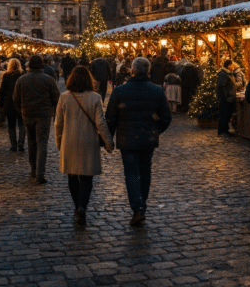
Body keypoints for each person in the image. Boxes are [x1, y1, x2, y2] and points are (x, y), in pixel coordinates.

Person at [105, 57, 172, 226]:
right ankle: (142, 205)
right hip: (147, 138)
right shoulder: (156, 91)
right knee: (145, 171)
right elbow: (166, 116)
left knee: (131, 173)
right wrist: (156, 130)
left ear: (132, 71)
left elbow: (111, 118)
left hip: (128, 139)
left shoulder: (120, 91)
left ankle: (137, 207)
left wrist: (108, 139)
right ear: (148, 71)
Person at [54, 66, 114, 226]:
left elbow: (58, 123)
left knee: (72, 176)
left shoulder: (64, 97)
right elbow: (100, 123)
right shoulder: (95, 98)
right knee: (87, 177)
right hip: (89, 141)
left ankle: (77, 206)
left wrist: (59, 142)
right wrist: (108, 142)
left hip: (70, 141)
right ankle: (82, 207)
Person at [13, 55, 61, 184]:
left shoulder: (21, 80)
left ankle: (34, 169)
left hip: (28, 114)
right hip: (44, 115)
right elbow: (57, 99)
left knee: (32, 141)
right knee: (42, 143)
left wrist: (22, 110)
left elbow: (16, 99)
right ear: (41, 65)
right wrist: (55, 113)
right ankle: (40, 173)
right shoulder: (49, 80)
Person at [0, 58, 25, 152]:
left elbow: (2, 91)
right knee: (22, 123)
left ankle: (13, 144)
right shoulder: (22, 75)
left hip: (9, 102)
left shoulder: (6, 75)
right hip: (21, 101)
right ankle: (21, 142)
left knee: (11, 124)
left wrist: (1, 104)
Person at [216, 59, 238, 137]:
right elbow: (221, 86)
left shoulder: (228, 74)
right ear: (228, 66)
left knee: (227, 115)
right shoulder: (223, 74)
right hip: (226, 99)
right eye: (232, 65)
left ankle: (225, 130)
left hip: (229, 98)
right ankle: (222, 131)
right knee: (224, 115)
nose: (233, 66)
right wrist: (225, 97)